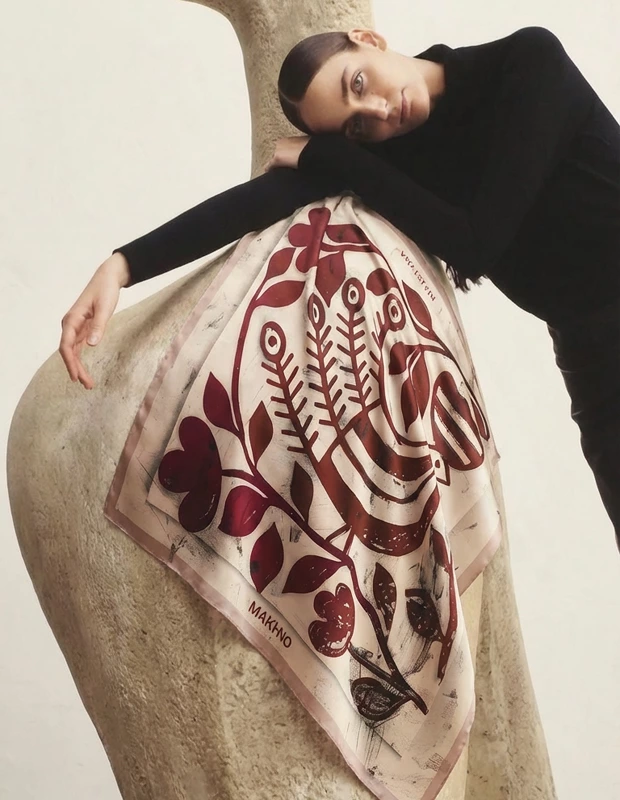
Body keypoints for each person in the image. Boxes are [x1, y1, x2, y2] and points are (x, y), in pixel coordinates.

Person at [58, 25, 620, 549]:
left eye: (359, 83)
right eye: (355, 127)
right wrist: (122, 265)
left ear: (367, 39)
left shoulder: (528, 64)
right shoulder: (383, 158)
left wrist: (333, 155)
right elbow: (253, 205)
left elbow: (477, 242)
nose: (378, 112)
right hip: (593, 362)